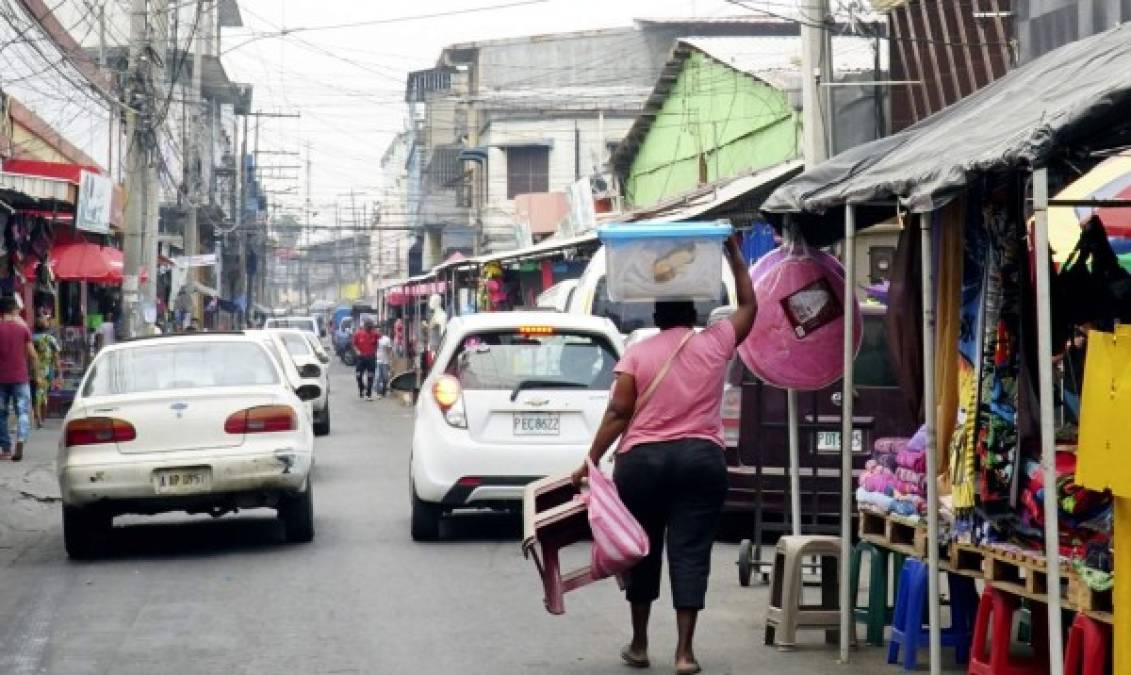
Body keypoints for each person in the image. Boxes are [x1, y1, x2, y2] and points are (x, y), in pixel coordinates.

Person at [570, 235, 756, 675]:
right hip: (701, 462)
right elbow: (750, 306)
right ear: (693, 316)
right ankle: (684, 653)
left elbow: (618, 412)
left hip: (643, 465)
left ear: (655, 317)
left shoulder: (636, 354)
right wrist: (733, 254)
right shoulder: (715, 343)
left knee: (642, 550)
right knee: (691, 551)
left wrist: (592, 459)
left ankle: (638, 643)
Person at [0, 296, 38, 461]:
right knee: (22, 411)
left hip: (1, 379)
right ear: (14, 310)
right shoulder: (23, 329)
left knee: (1, 414)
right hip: (20, 377)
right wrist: (35, 374)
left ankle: (6, 449)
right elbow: (33, 355)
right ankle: (21, 440)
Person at [31, 317, 62, 429]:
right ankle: (40, 419)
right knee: (43, 395)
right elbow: (56, 357)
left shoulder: (31, 338)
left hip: (32, 371)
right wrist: (59, 372)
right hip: (47, 371)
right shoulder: (50, 339)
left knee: (36, 394)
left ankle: (38, 418)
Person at [352, 318, 379, 400]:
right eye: (368, 327)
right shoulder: (358, 334)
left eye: (371, 327)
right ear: (364, 326)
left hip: (371, 358)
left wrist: (376, 350)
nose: (370, 328)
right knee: (358, 375)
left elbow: (379, 342)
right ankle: (361, 388)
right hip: (361, 358)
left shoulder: (375, 334)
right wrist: (357, 351)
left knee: (371, 376)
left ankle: (369, 394)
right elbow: (354, 344)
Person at [374, 328, 393, 398]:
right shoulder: (375, 339)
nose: (377, 333)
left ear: (381, 332)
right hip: (378, 361)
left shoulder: (386, 339)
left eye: (378, 331)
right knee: (378, 377)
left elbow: (390, 350)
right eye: (376, 332)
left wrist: (391, 360)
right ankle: (378, 392)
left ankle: (384, 391)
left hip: (385, 361)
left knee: (385, 377)